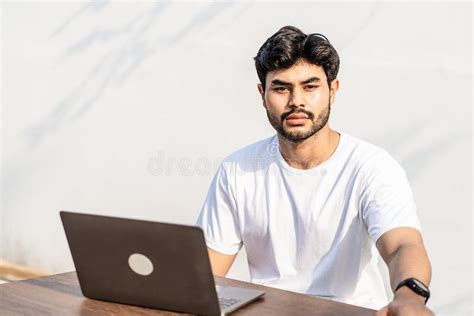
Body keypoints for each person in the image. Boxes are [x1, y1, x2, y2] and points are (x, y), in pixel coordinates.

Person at [196, 25, 433, 315]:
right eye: (281, 88)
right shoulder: (237, 170)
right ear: (262, 94)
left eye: (310, 87)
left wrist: (408, 297)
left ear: (333, 90)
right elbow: (206, 277)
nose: (296, 100)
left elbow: (402, 244)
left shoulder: (371, 166)